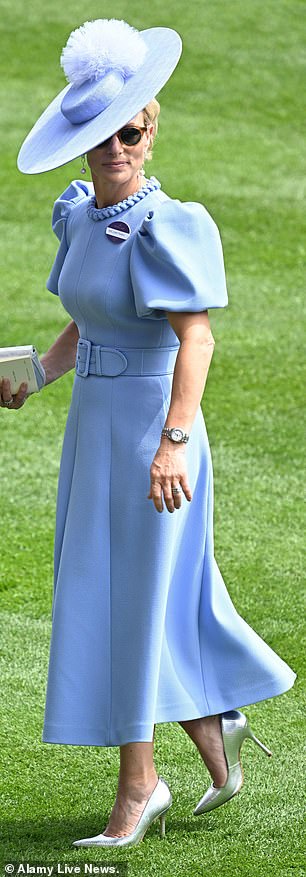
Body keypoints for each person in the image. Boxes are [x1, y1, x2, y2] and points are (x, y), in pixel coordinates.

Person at [2, 18, 296, 849]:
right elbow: (82, 324)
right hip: (94, 434)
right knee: (113, 597)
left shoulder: (170, 224)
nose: (119, 148)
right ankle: (214, 726)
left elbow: (194, 338)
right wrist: (36, 377)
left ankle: (140, 786)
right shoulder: (80, 217)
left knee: (136, 604)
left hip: (153, 436)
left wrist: (174, 439)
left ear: (151, 124)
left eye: (131, 130)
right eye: (101, 137)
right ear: (81, 145)